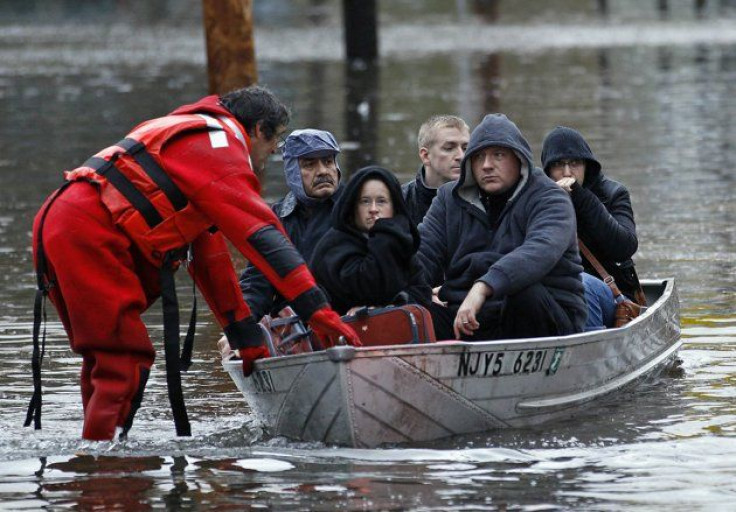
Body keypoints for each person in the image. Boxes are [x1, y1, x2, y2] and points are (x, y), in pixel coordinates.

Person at [30, 85, 359, 441]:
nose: (268, 157)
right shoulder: (220, 146)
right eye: (272, 145)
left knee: (105, 359)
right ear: (259, 130)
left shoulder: (191, 136)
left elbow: (211, 257)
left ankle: (95, 457)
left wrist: (244, 335)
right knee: (123, 360)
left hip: (59, 224)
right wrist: (317, 310)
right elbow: (261, 235)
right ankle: (105, 473)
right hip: (86, 234)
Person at [418, 113, 587, 341]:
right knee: (413, 309)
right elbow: (421, 254)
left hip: (541, 319)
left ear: (519, 159)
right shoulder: (448, 199)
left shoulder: (551, 198)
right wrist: (395, 293)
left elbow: (539, 251)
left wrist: (483, 287)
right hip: (468, 320)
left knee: (523, 293)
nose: (487, 165)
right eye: (479, 157)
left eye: (498, 155)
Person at [240, 128, 343, 321]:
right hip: (296, 322)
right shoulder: (276, 218)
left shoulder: (357, 208)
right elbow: (257, 282)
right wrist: (239, 327)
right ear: (292, 171)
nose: (322, 171)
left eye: (328, 162)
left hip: (349, 315)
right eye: (310, 165)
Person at [541, 125, 642, 309]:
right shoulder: (539, 199)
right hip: (558, 290)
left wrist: (581, 198)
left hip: (612, 293)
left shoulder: (613, 194)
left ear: (587, 165)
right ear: (547, 171)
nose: (567, 172)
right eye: (558, 165)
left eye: (574, 164)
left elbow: (625, 247)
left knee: (582, 286)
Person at [310, 165, 431, 315]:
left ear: (394, 207)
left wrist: (395, 305)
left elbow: (422, 292)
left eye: (381, 201)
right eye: (365, 201)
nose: (373, 209)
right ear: (353, 207)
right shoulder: (334, 246)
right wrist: (385, 234)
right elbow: (370, 289)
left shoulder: (398, 240)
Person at [402, 115, 470, 227]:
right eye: (449, 148)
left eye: (465, 148)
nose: (461, 156)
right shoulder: (400, 200)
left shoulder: (481, 199)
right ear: (425, 156)